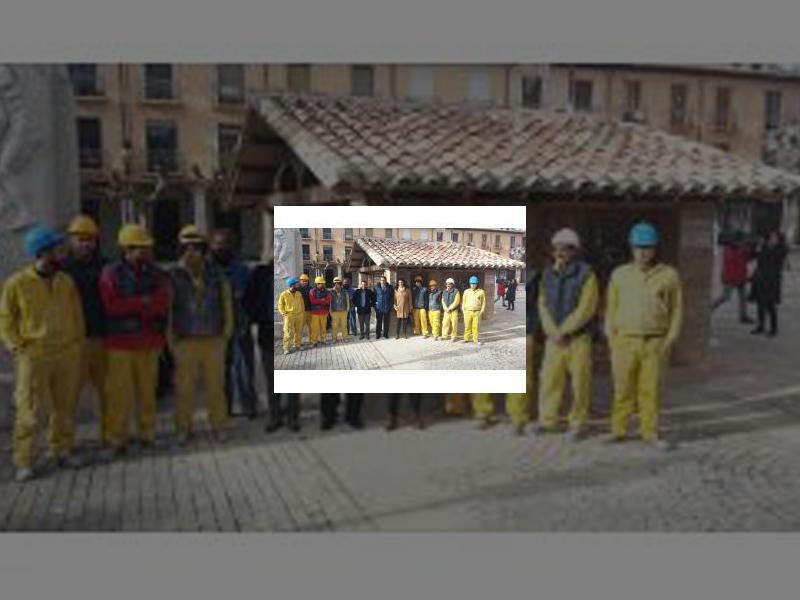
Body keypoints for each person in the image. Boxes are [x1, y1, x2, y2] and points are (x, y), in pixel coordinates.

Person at [0, 226, 85, 482]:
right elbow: (5, 319)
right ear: (41, 252)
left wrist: (77, 342)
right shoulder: (17, 283)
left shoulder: (65, 280)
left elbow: (76, 314)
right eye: (55, 249)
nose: (60, 253)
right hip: (34, 356)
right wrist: (16, 346)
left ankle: (62, 450)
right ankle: (24, 460)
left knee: (66, 406)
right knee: (30, 410)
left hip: (66, 352)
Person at [605, 222, 683, 452]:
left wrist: (670, 339)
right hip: (625, 341)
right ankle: (618, 430)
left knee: (650, 391)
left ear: (655, 248)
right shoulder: (619, 275)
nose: (643, 252)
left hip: (655, 342)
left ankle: (649, 432)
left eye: (648, 247)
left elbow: (677, 309)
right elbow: (611, 308)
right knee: (622, 389)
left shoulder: (669, 275)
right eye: (639, 247)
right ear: (631, 247)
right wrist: (612, 338)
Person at [100, 224, 171, 459]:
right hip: (119, 344)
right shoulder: (110, 274)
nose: (143, 252)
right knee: (119, 396)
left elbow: (162, 304)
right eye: (138, 248)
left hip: (149, 342)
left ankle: (147, 435)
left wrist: (132, 304)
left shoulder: (158, 274)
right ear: (126, 249)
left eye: (145, 248)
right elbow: (111, 306)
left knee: (147, 393)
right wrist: (142, 303)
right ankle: (116, 440)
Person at [531, 229, 599, 442]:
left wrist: (565, 330)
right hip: (554, 339)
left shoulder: (587, 275)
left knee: (580, 383)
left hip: (578, 338)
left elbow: (587, 307)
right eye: (557, 248)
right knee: (549, 380)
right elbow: (542, 304)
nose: (560, 252)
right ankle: (547, 421)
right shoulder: (547, 274)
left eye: (566, 248)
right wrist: (552, 331)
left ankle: (578, 424)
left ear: (574, 251)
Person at [169, 226, 233, 446]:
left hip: (213, 340)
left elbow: (226, 304)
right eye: (186, 247)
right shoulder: (172, 276)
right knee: (184, 390)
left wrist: (226, 334)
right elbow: (168, 309)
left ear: (203, 249)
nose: (191, 252)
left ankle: (219, 427)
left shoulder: (216, 275)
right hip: (184, 341)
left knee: (215, 388)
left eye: (196, 247)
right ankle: (183, 429)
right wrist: (171, 340)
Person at [61, 215, 110, 448]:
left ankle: (109, 437)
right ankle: (64, 444)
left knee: (107, 394)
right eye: (81, 239)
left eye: (90, 239)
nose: (86, 243)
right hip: (72, 342)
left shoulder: (106, 266)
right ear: (71, 240)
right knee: (68, 397)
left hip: (102, 338)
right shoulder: (61, 269)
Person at [210, 228, 258, 419]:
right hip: (215, 328)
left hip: (240, 327)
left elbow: (249, 296)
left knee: (244, 370)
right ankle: (225, 408)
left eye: (226, 244)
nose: (222, 248)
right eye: (218, 245)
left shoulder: (242, 269)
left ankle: (249, 407)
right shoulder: (207, 269)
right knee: (221, 372)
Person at [749, 231, 788, 337]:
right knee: (760, 304)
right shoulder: (764, 247)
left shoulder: (781, 249)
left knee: (770, 305)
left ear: (779, 239)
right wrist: (756, 247)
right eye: (771, 237)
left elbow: (776, 259)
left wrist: (767, 247)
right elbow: (753, 256)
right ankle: (760, 326)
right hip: (761, 279)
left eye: (774, 237)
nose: (772, 239)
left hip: (772, 281)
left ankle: (773, 328)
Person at [711, 231, 753, 324]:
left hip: (741, 276)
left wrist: (749, 250)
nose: (743, 243)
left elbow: (747, 259)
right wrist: (743, 250)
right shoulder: (729, 249)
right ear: (736, 241)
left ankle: (743, 315)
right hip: (731, 278)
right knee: (725, 297)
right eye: (741, 241)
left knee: (743, 297)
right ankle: (710, 307)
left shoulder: (741, 249)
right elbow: (733, 258)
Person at [277, 276, 305, 354]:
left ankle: (297, 345)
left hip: (299, 315)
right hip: (289, 316)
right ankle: (286, 348)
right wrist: (283, 313)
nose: (297, 285)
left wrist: (302, 312)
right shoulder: (284, 294)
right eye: (296, 284)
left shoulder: (299, 294)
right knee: (288, 332)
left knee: (298, 332)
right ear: (291, 285)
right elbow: (280, 305)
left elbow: (302, 303)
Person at [461, 276, 486, 345]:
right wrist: (463, 310)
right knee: (467, 326)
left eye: (474, 283)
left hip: (477, 312)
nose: (473, 285)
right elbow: (463, 301)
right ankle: (466, 339)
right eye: (472, 283)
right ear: (469, 283)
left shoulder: (481, 292)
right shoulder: (466, 292)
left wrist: (482, 311)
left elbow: (483, 302)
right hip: (467, 312)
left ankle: (475, 339)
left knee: (476, 327)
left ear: (477, 283)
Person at [309, 276, 331, 346]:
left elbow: (328, 301)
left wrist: (319, 301)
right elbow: (312, 301)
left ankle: (323, 340)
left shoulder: (327, 291)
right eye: (321, 283)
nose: (323, 285)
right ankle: (314, 341)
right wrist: (322, 300)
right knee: (315, 328)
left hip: (324, 312)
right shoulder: (312, 291)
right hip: (315, 312)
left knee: (323, 327)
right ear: (317, 284)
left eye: (323, 283)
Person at [329, 276, 351, 343]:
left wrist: (347, 309)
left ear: (340, 284)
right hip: (334, 312)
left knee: (344, 326)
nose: (337, 284)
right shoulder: (331, 292)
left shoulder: (344, 291)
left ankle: (345, 337)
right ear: (333, 284)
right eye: (335, 283)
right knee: (334, 326)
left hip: (343, 311)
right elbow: (329, 302)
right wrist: (330, 311)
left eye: (338, 283)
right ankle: (334, 338)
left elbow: (347, 300)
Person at [373, 275, 394, 339]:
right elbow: (374, 298)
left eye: (384, 280)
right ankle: (378, 334)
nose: (383, 281)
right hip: (379, 308)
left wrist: (390, 306)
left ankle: (385, 334)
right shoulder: (376, 287)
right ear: (380, 281)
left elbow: (392, 297)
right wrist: (375, 306)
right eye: (381, 280)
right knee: (379, 322)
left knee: (386, 323)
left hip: (387, 308)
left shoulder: (390, 288)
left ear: (386, 281)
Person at [441, 278, 461, 343]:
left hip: (454, 311)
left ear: (452, 284)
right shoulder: (444, 291)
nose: (448, 285)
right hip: (446, 311)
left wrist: (449, 308)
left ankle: (453, 337)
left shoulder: (456, 291)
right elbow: (443, 300)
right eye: (447, 284)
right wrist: (445, 309)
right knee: (445, 323)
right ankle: (444, 336)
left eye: (450, 284)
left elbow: (456, 302)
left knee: (454, 324)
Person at [297, 274, 313, 348]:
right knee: (299, 328)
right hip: (301, 312)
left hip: (310, 311)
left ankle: (312, 341)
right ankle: (298, 343)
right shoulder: (297, 290)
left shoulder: (311, 289)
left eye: (306, 281)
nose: (305, 282)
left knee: (311, 327)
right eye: (303, 281)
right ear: (300, 281)